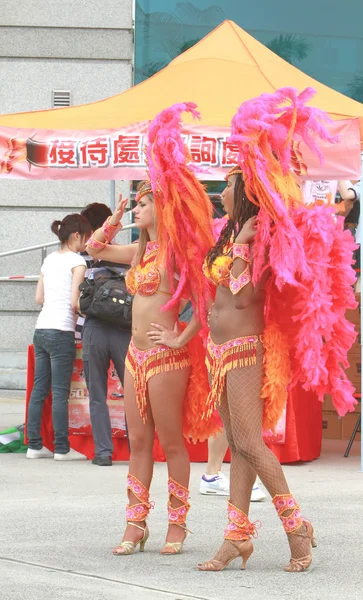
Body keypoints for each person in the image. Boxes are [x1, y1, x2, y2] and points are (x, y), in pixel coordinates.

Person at [191, 88, 357, 573]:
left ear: (244, 192)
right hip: (216, 350)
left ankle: (296, 525)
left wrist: (243, 245)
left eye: (226, 185)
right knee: (238, 442)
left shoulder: (263, 234)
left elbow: (245, 296)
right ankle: (237, 536)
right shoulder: (229, 231)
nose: (220, 191)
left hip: (245, 349)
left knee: (250, 442)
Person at [87, 102, 218, 556]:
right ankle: (135, 525)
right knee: (137, 441)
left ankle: (177, 526)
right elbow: (94, 247)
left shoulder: (178, 252)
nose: (139, 207)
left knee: (169, 442)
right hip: (133, 356)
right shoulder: (138, 253)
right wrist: (115, 215)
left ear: (163, 207)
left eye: (144, 202)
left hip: (167, 358)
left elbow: (206, 301)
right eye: (138, 201)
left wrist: (181, 337)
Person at [26, 214, 91, 461]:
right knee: (60, 392)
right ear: (76, 235)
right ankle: (62, 448)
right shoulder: (78, 262)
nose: (87, 242)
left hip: (41, 329)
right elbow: (76, 302)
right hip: (62, 330)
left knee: (39, 391)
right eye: (85, 237)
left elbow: (39, 299)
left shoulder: (49, 260)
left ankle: (34, 446)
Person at [79, 202, 131, 467]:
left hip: (96, 327)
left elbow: (80, 299)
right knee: (133, 394)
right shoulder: (127, 253)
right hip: (125, 328)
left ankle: (102, 453)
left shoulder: (87, 255)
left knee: (97, 394)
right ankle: (138, 450)